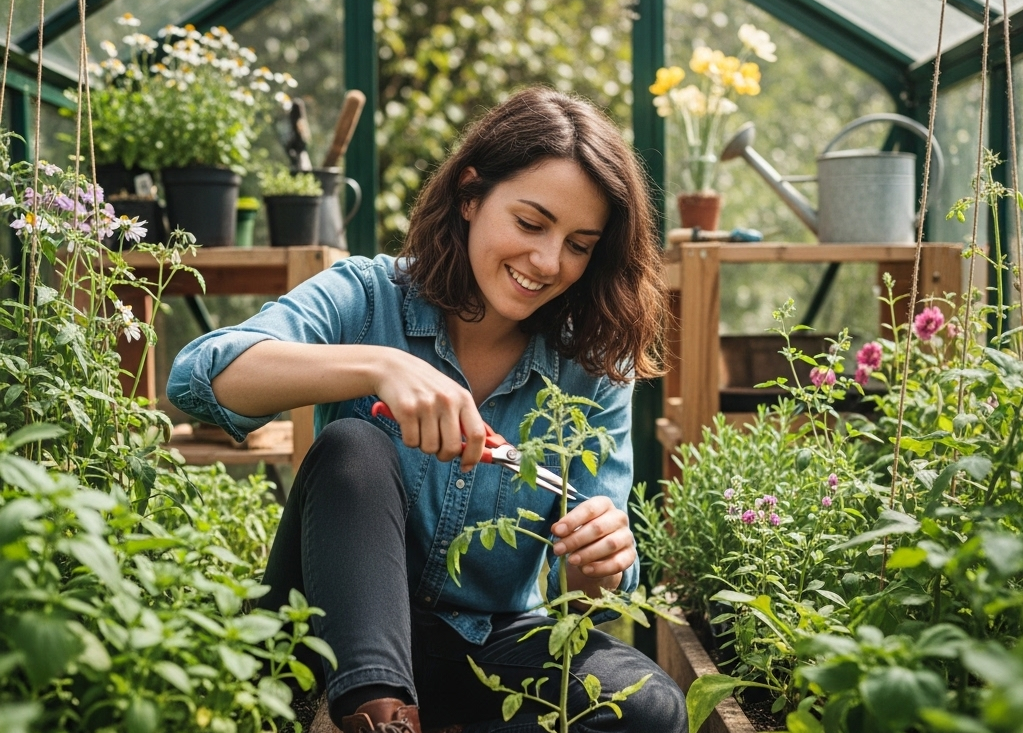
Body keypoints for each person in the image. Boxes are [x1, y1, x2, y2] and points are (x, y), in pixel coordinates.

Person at [167, 86, 687, 733]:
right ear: (469, 194)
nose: (548, 261)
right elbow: (196, 376)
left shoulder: (589, 361)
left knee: (649, 707)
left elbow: (587, 596)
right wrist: (378, 364)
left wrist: (596, 556)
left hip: (490, 640)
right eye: (530, 223)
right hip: (337, 633)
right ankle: (377, 713)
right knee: (354, 446)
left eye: (579, 244)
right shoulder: (366, 295)